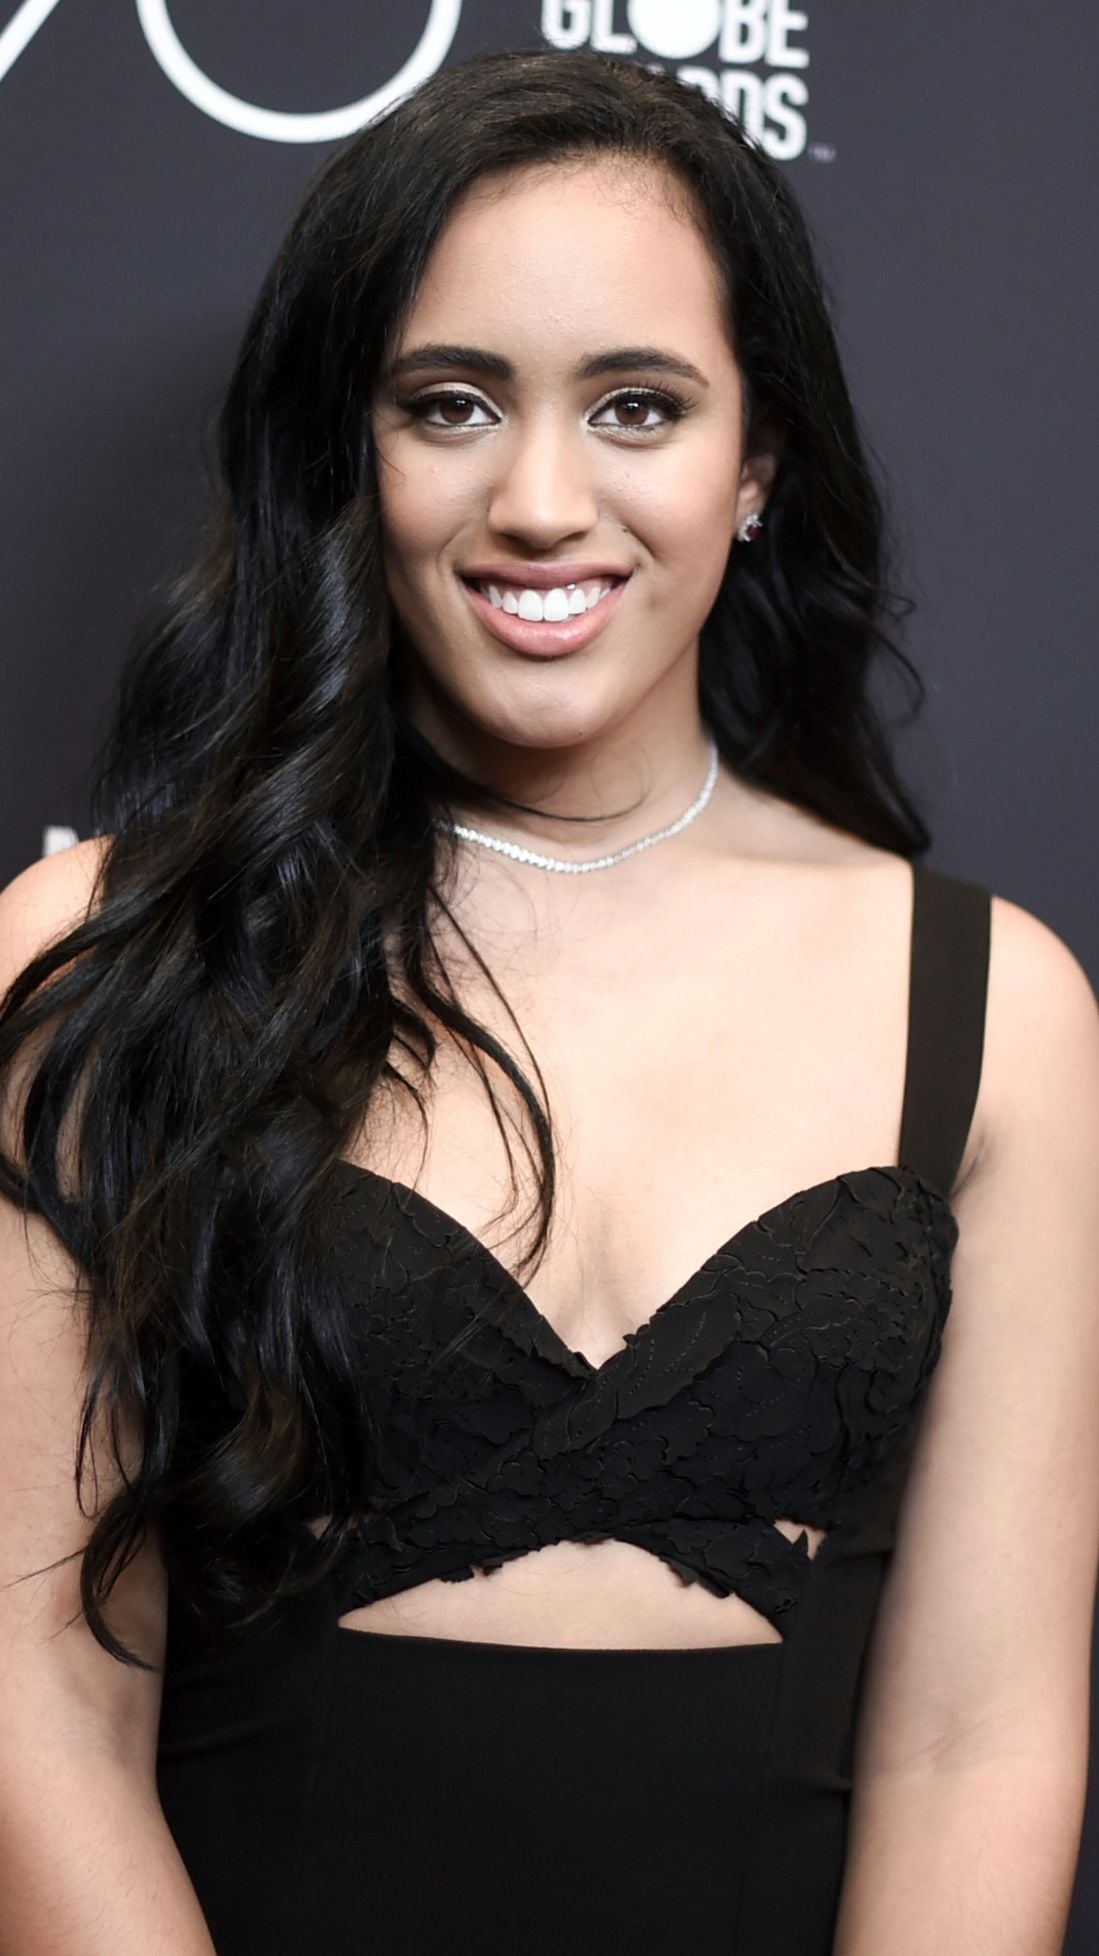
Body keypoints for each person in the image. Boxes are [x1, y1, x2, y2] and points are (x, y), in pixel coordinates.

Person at [1, 41, 1097, 1956]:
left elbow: (977, 1743)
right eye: (450, 404)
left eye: (638, 407)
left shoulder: (992, 1010)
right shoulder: (104, 949)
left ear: (757, 466)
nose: (538, 498)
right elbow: (36, 1703)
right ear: (353, 453)